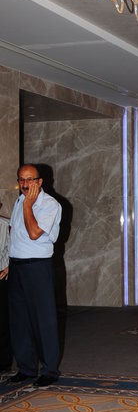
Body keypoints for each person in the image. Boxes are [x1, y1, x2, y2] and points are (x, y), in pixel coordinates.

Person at [7, 164, 62, 387]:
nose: (25, 184)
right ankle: (27, 368)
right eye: (21, 179)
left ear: (40, 182)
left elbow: (33, 233)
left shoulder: (50, 204)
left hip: (38, 267)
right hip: (17, 266)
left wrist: (28, 205)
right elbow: (15, 234)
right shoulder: (19, 201)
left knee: (43, 320)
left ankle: (49, 370)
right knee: (19, 320)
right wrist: (9, 262)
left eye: (30, 179)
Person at [0, 202, 12, 374]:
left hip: (1, 277)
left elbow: (15, 249)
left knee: (2, 323)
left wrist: (10, 267)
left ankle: (3, 362)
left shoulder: (6, 225)